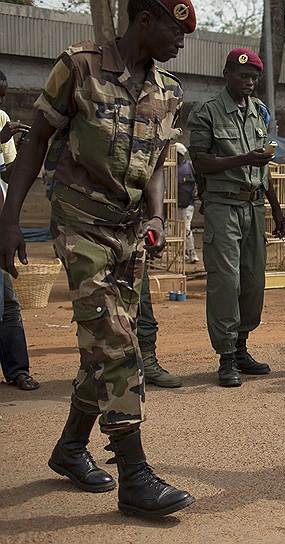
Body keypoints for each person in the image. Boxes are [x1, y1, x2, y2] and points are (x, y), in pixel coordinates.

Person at [0, 0, 197, 517]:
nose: (182, 41)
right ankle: (134, 476)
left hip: (131, 232)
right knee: (115, 340)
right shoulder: (79, 65)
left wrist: (156, 218)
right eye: (176, 30)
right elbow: (37, 141)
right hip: (80, 224)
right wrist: (9, 219)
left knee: (99, 348)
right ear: (145, 19)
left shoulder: (170, 91)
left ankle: (69, 449)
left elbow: (158, 163)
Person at [188, 48, 285, 388]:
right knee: (226, 283)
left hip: (254, 207)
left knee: (252, 281)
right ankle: (226, 357)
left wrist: (275, 206)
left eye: (254, 78)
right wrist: (244, 158)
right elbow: (200, 164)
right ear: (227, 74)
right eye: (243, 76)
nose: (249, 82)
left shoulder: (258, 113)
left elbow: (264, 166)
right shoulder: (207, 113)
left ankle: (242, 347)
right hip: (222, 206)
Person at [0, 82, 37, 391]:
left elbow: (7, 175)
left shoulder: (1, 117)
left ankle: (18, 370)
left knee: (9, 303)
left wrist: (24, 149)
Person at [175, 142, 198, 263]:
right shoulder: (174, 168)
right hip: (176, 203)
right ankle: (182, 254)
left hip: (187, 204)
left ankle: (192, 254)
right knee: (178, 231)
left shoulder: (189, 166)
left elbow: (198, 181)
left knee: (186, 229)